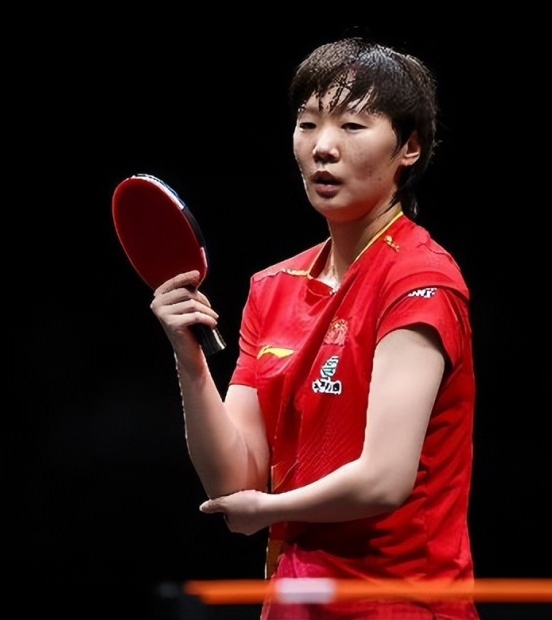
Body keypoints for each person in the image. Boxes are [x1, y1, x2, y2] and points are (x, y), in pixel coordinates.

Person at [149, 36, 479, 620]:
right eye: (308, 124)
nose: (323, 147)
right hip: (295, 606)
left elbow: (384, 479)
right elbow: (234, 477)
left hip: (399, 605)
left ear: (409, 147)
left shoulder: (420, 280)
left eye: (352, 126)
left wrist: (270, 510)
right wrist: (189, 356)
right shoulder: (272, 287)